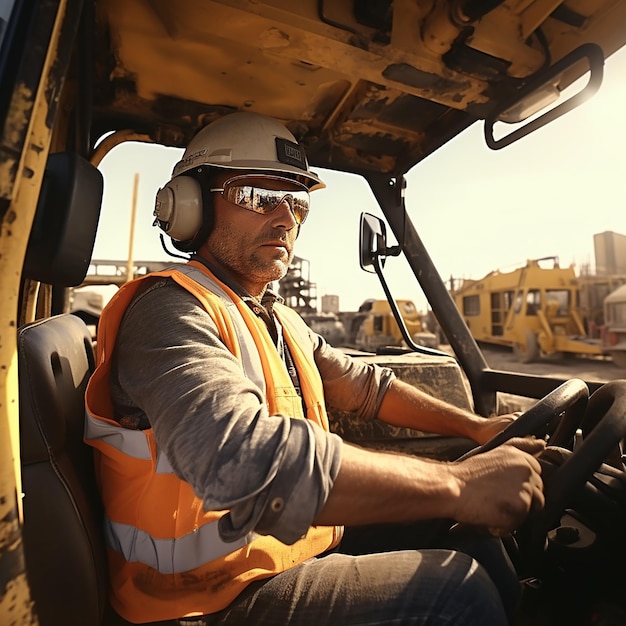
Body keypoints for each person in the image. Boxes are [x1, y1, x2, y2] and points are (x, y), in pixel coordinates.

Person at [85, 111, 545, 626]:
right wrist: (459, 485)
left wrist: (477, 428)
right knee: (455, 594)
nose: (284, 218)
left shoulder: (276, 318)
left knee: (471, 539)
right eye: (259, 198)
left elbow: (365, 386)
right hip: (200, 603)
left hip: (281, 554)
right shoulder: (167, 311)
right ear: (190, 207)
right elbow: (239, 457)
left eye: (297, 202)